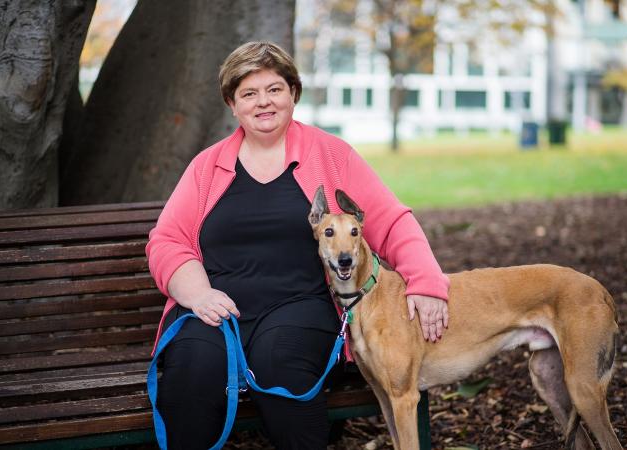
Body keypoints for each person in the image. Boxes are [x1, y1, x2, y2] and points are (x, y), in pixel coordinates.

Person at [146, 41, 450, 450]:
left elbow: (389, 220)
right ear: (232, 105)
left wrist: (426, 282)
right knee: (193, 371)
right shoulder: (207, 166)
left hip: (300, 305)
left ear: (293, 93)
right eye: (249, 94)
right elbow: (168, 240)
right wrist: (198, 293)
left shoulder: (330, 155)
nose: (263, 102)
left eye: (274, 89)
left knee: (281, 364)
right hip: (215, 308)